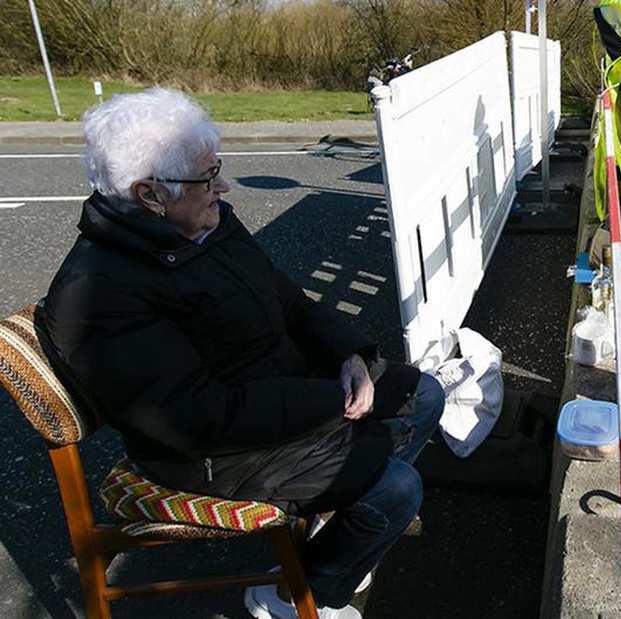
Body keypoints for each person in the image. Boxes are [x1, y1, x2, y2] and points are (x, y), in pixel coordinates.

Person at [33, 87, 445, 619]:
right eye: (207, 178)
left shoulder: (202, 224)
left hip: (276, 393)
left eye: (217, 169)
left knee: (423, 393)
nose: (222, 186)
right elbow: (197, 419)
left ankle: (337, 533)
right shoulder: (99, 295)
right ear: (149, 195)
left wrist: (350, 358)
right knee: (394, 489)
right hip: (208, 452)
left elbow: (289, 301)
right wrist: (331, 403)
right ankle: (295, 596)